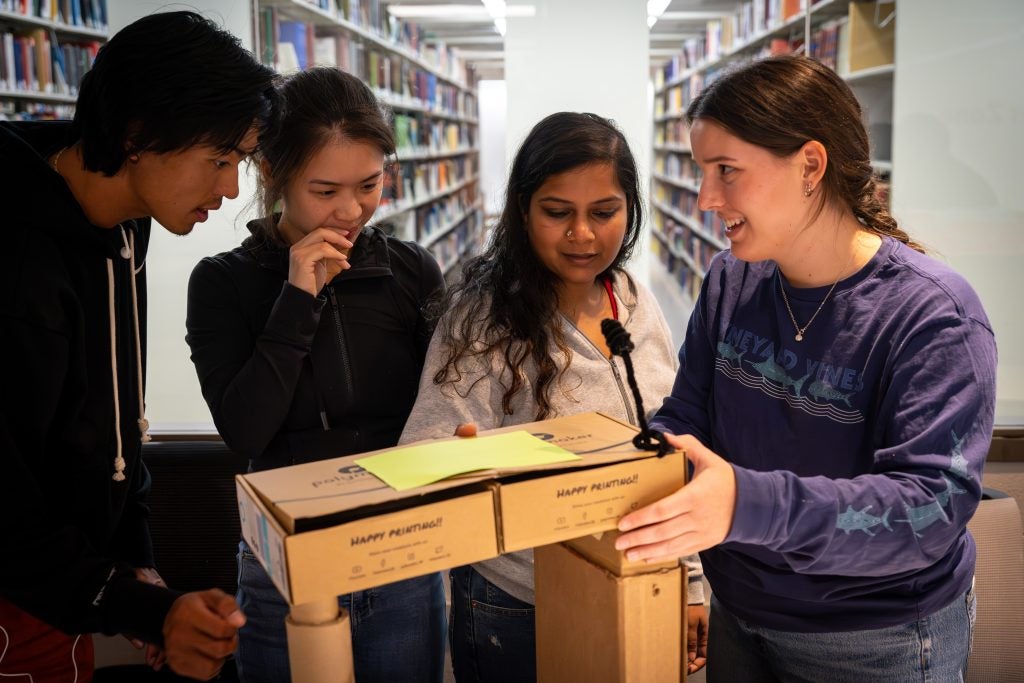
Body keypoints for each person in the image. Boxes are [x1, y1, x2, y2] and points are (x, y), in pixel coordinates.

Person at [614, 55, 997, 682]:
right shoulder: (731, 279)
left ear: (810, 166)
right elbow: (689, 414)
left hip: (876, 638)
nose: (707, 198)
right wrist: (618, 471)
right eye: (702, 172)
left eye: (727, 171)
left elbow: (928, 509)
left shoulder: (935, 317)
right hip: (738, 608)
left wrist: (745, 504)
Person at [0, 11, 277, 682]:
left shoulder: (128, 226)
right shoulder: (13, 264)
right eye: (221, 159)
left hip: (65, 592)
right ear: (137, 135)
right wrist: (138, 604)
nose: (232, 188)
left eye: (239, 160)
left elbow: (116, 420)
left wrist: (136, 564)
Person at [400, 112, 708, 683]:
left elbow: (669, 454)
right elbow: (426, 454)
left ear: (630, 211)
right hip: (517, 601)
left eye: (604, 213)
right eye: (557, 213)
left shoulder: (637, 302)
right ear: (523, 211)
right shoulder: (481, 318)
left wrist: (689, 580)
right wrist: (465, 464)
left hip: (637, 579)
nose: (583, 235)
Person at [185, 66, 447, 683]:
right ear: (271, 174)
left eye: (369, 184)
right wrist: (298, 299)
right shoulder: (222, 283)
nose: (351, 210)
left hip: (401, 550)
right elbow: (246, 431)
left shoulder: (410, 270)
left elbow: (440, 410)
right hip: (286, 564)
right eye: (324, 190)